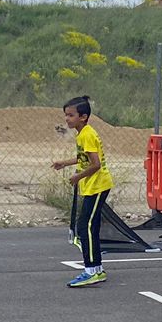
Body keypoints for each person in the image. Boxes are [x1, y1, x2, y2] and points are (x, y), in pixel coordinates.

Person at [53, 95, 112, 289]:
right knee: (90, 226)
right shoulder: (82, 134)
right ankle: (96, 269)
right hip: (92, 186)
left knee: (84, 226)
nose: (67, 119)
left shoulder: (87, 134)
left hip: (98, 186)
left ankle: (91, 270)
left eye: (71, 115)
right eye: (66, 115)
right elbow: (84, 158)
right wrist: (65, 163)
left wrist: (77, 177)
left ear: (83, 117)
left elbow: (95, 164)